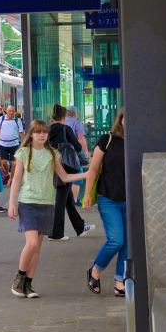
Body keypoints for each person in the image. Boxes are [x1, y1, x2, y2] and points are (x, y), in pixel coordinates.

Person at [8, 120, 88, 298]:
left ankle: (28, 285)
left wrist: (88, 173)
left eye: (45, 133)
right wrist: (12, 203)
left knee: (37, 248)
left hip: (46, 203)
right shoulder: (23, 153)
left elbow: (65, 177)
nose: (42, 135)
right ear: (32, 134)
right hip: (27, 202)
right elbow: (16, 180)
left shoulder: (53, 154)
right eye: (38, 132)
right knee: (32, 243)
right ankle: (19, 278)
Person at [84, 109, 127, 297]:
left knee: (127, 243)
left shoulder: (139, 141)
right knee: (116, 239)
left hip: (131, 199)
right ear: (121, 120)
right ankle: (95, 269)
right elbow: (93, 170)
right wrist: (87, 194)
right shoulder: (107, 140)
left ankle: (120, 281)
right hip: (108, 198)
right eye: (127, 118)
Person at [49, 104, 94, 241]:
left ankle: (80, 227)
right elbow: (78, 145)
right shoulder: (66, 129)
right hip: (66, 166)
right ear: (64, 117)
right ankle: (56, 233)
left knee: (67, 199)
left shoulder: (48, 129)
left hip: (52, 164)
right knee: (61, 199)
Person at [65, 105, 90, 202]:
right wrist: (86, 151)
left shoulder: (62, 122)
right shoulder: (76, 123)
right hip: (73, 153)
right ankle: (74, 199)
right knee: (77, 174)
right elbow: (81, 138)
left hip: (62, 153)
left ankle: (66, 198)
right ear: (75, 113)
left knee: (65, 174)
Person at [0, 105, 25, 180]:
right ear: (6, 111)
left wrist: (24, 143)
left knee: (14, 164)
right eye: (10, 111)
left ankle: (12, 180)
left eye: (13, 111)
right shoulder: (2, 118)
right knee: (3, 163)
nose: (11, 112)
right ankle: (7, 174)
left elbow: (21, 133)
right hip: (3, 144)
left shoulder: (17, 120)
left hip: (14, 144)